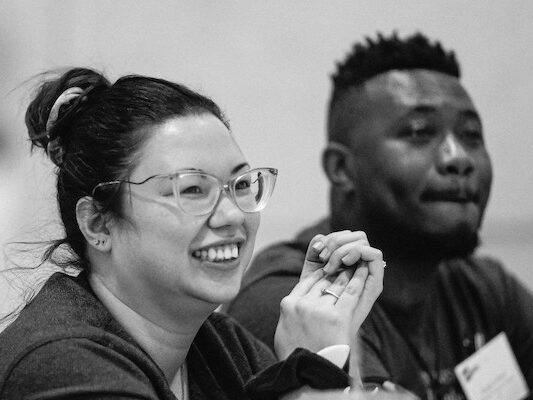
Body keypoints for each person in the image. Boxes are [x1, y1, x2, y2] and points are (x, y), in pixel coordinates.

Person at [0, 68, 389, 400]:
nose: (231, 215)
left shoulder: (223, 346)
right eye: (192, 190)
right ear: (98, 224)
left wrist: (327, 349)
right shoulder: (61, 364)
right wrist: (314, 370)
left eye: (239, 184)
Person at [226, 32, 533, 399]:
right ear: (342, 168)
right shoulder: (295, 298)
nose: (458, 158)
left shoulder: (485, 290)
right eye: (420, 132)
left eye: (471, 134)